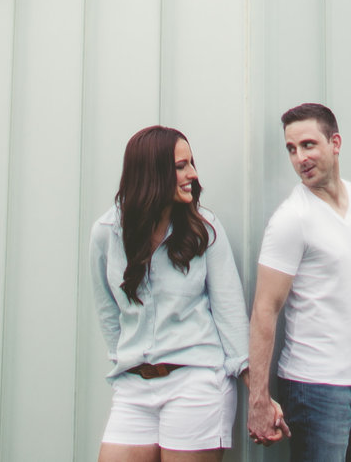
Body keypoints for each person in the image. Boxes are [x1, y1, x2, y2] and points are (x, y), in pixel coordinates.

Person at [245, 103, 351, 459]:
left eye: (308, 144)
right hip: (313, 388)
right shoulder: (292, 219)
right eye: (291, 149)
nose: (299, 158)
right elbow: (265, 309)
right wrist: (258, 399)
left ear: (335, 142)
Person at [91, 125, 249, 461]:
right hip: (133, 385)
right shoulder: (106, 234)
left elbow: (230, 311)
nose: (192, 174)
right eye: (181, 166)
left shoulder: (204, 229)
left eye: (191, 163)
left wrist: (257, 391)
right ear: (151, 173)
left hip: (196, 382)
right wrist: (126, 357)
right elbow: (109, 312)